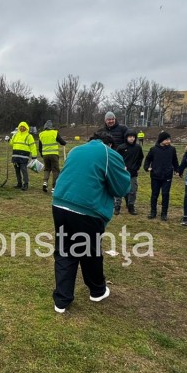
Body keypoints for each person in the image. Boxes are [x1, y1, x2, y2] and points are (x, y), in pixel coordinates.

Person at [51, 130, 131, 313]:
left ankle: (61, 300)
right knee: (90, 252)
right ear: (110, 144)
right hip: (87, 210)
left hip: (60, 204)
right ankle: (97, 291)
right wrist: (124, 173)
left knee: (65, 251)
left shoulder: (75, 150)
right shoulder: (108, 153)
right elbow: (121, 188)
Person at [143, 132, 178, 220]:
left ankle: (164, 214)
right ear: (161, 140)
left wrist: (177, 170)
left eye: (169, 139)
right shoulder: (153, 149)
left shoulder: (172, 149)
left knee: (165, 194)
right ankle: (153, 212)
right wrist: (147, 168)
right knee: (154, 194)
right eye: (166, 139)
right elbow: (148, 159)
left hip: (167, 176)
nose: (168, 141)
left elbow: (175, 161)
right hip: (155, 176)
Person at [116, 129, 143, 215]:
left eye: (133, 137)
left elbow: (140, 157)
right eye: (130, 137)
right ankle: (117, 207)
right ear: (126, 137)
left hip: (133, 173)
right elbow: (116, 159)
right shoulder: (121, 147)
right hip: (122, 173)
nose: (132, 138)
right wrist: (121, 167)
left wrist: (137, 167)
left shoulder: (138, 147)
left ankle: (131, 206)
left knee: (133, 190)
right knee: (119, 190)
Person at [38, 120, 67, 194]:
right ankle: (54, 187)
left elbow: (40, 147)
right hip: (54, 154)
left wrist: (42, 154)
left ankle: (45, 182)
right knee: (55, 170)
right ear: (51, 126)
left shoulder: (41, 134)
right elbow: (62, 142)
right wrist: (64, 143)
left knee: (47, 169)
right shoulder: (55, 132)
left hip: (45, 155)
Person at [10, 122, 37, 191]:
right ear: (19, 127)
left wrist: (34, 156)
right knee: (17, 170)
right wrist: (8, 140)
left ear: (26, 128)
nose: (22, 128)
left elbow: (33, 146)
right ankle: (19, 183)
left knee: (23, 170)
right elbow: (12, 144)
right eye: (21, 127)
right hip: (15, 156)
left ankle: (26, 184)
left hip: (24, 156)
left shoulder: (29, 136)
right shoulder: (15, 135)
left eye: (23, 127)